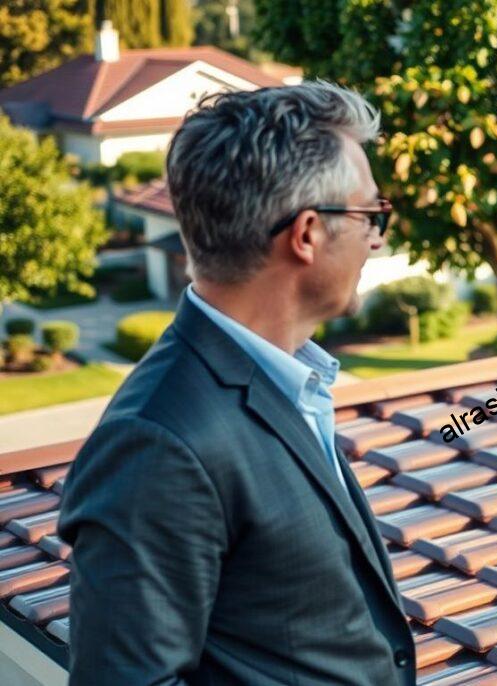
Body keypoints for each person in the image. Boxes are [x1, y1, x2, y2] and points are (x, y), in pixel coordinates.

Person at [56, 82, 416, 685]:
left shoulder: (290, 378)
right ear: (307, 234)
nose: (377, 239)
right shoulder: (158, 445)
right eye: (369, 216)